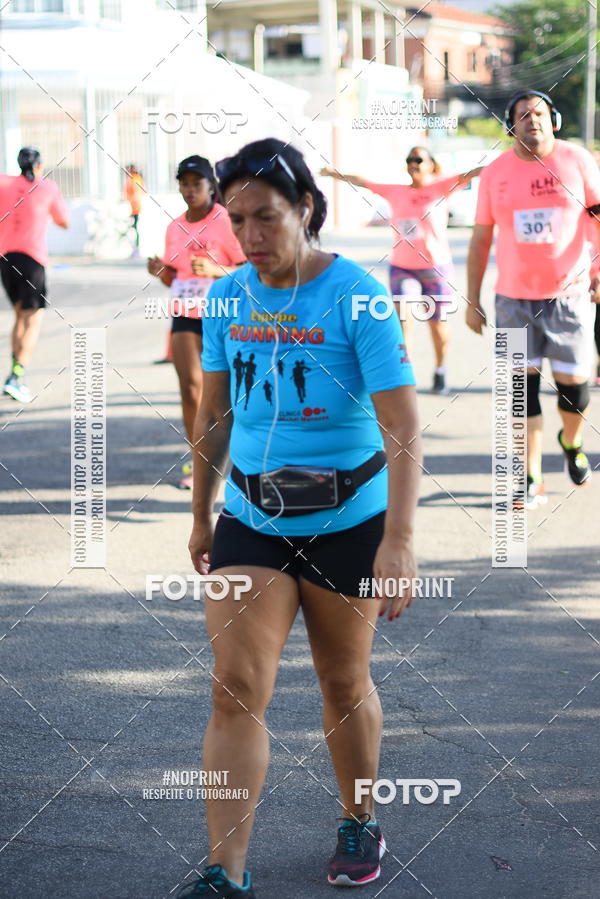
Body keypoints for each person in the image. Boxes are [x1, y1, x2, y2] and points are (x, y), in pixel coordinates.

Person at [181, 138, 421, 898]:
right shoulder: (226, 297)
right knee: (234, 684)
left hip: (349, 515)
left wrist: (400, 541)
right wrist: (200, 514)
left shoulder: (356, 295)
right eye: (238, 218)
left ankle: (359, 817)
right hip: (252, 514)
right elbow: (214, 418)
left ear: (306, 210)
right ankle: (227, 869)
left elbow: (404, 428)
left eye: (267, 217)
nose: (250, 235)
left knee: (342, 678)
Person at [466, 89, 600, 509]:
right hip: (513, 300)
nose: (532, 119)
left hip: (570, 297)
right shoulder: (495, 173)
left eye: (539, 112)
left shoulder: (577, 160)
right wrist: (473, 298)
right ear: (512, 127)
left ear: (553, 119)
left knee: (574, 393)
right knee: (520, 393)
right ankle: (530, 476)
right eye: (522, 115)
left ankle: (571, 441)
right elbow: (481, 238)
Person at [321, 149, 482, 394]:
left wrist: (506, 163)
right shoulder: (395, 191)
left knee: (437, 325)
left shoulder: (441, 187)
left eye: (419, 160)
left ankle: (440, 369)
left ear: (431, 165)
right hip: (403, 267)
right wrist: (335, 174)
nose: (413, 164)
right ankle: (403, 372)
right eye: (409, 160)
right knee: (402, 320)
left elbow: (470, 174)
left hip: (435, 268)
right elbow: (363, 182)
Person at [147, 155, 245, 488]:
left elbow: (251, 270)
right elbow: (173, 277)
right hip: (185, 311)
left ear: (210, 186)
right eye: (184, 184)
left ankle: (238, 457)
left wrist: (218, 270)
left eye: (196, 183)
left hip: (223, 314)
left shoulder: (228, 220)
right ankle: (200, 459)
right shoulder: (174, 227)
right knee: (190, 389)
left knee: (225, 393)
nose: (190, 190)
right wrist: (161, 271)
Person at [0, 146, 69, 404]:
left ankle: (14, 374)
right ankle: (16, 378)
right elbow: (64, 221)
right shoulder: (47, 187)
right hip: (32, 260)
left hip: (6, 259)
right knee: (34, 319)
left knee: (20, 316)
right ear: (39, 166)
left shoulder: (3, 184)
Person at [124, 163, 144, 257]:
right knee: (133, 229)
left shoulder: (135, 179)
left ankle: (136, 249)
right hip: (132, 209)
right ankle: (134, 249)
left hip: (136, 209)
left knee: (135, 230)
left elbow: (137, 193)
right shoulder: (132, 179)